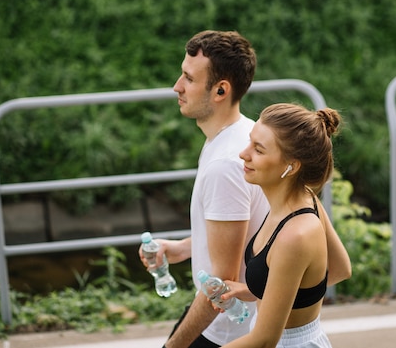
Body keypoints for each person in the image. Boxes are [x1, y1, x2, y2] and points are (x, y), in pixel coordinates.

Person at [139, 30, 269, 348]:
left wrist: (174, 346)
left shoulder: (225, 164)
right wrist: (182, 248)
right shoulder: (246, 134)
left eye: (189, 78)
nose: (177, 87)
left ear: (220, 90)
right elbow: (244, 234)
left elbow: (221, 284)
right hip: (236, 320)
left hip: (227, 329)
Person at [219, 103, 352, 348]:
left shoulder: (296, 235)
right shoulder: (304, 198)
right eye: (250, 142)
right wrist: (261, 292)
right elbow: (340, 268)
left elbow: (265, 340)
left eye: (258, 150)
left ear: (291, 166)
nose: (243, 154)